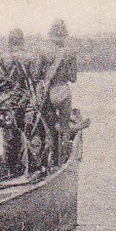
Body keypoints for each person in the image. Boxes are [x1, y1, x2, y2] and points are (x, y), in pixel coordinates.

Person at [0, 28, 39, 175]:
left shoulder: (3, 58)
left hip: (8, 100)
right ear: (22, 40)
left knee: (9, 135)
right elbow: (34, 78)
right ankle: (29, 167)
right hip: (26, 98)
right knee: (28, 132)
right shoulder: (29, 57)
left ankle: (11, 169)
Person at [40, 19, 78, 166]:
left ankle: (48, 163)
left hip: (49, 92)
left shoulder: (44, 52)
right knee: (65, 127)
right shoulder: (70, 53)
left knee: (48, 129)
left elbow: (37, 74)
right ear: (65, 34)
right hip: (63, 91)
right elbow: (73, 78)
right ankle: (63, 162)